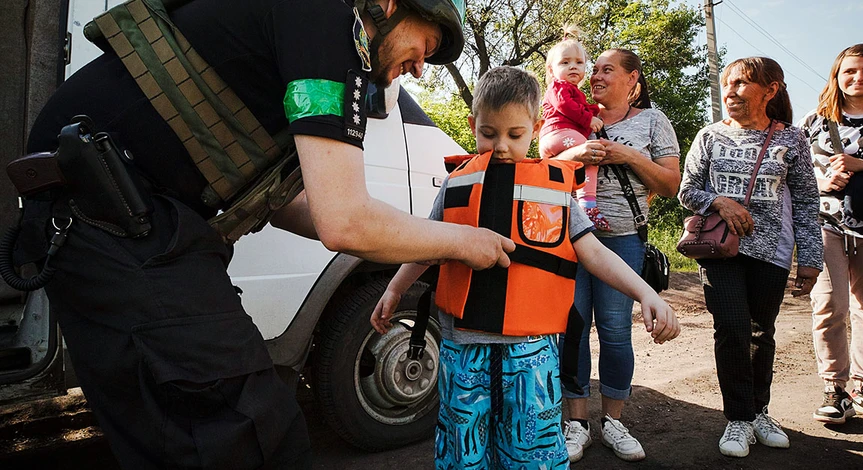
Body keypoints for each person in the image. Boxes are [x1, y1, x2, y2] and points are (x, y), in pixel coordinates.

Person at [19, 0, 519, 468]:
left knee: (180, 436)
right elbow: (343, 222)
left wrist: (406, 231)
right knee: (248, 433)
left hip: (118, 218)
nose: (418, 69)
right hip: (107, 215)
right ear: (388, 5)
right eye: (425, 47)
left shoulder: (302, 29)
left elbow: (292, 207)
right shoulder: (328, 18)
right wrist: (462, 241)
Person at [369, 65, 680, 469]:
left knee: (531, 454)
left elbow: (593, 253)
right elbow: (426, 245)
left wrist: (645, 292)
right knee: (464, 454)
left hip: (530, 354)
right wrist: (394, 289)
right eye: (488, 133)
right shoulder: (456, 184)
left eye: (515, 135)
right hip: (463, 349)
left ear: (534, 128)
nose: (500, 146)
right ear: (472, 124)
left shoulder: (553, 188)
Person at [678, 57, 824, 458]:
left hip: (772, 253)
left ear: (770, 89)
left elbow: (809, 203)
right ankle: (738, 419)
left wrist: (810, 259)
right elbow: (686, 190)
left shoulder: (791, 140)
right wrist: (720, 202)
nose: (731, 91)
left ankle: (760, 411)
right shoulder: (709, 136)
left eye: (742, 83)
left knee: (762, 331)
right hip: (718, 250)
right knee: (732, 327)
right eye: (727, 84)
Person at [551, 48, 681, 463]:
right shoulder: (566, 110)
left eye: (608, 70)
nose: (596, 77)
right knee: (571, 328)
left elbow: (670, 185)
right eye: (596, 70)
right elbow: (539, 166)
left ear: (633, 80)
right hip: (568, 238)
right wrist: (573, 156)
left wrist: (626, 154)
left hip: (624, 238)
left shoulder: (653, 120)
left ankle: (614, 422)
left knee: (614, 329)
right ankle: (577, 424)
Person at [800, 44, 863, 426]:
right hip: (827, 224)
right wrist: (825, 179)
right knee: (828, 307)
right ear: (837, 76)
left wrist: (862, 165)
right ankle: (835, 389)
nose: (859, 78)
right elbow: (796, 174)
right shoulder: (815, 121)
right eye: (850, 71)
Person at [538, 25, 609, 230]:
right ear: (552, 70)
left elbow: (579, 106)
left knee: (570, 170)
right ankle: (588, 205)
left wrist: (593, 109)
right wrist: (588, 119)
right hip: (559, 134)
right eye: (565, 62)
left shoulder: (573, 90)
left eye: (579, 63)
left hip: (557, 139)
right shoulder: (559, 86)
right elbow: (566, 107)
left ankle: (565, 204)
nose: (573, 67)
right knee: (592, 155)